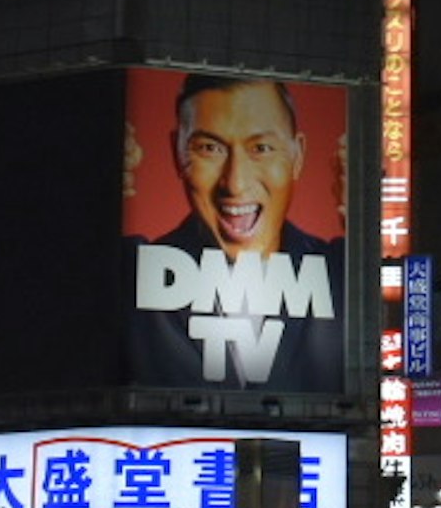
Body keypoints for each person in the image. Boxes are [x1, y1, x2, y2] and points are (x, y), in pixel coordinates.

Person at [126, 76, 347, 392]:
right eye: (210, 148)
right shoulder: (131, 272)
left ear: (298, 156)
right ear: (177, 153)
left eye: (261, 148)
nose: (235, 183)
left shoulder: (342, 271)